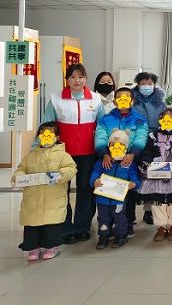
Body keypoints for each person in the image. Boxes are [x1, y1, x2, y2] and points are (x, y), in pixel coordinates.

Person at [41, 63, 104, 245]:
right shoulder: (55, 99)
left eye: (81, 77)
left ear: (86, 79)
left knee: (85, 189)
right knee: (61, 190)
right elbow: (46, 126)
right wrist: (38, 149)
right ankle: (65, 228)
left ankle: (82, 227)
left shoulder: (96, 99)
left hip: (88, 153)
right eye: (73, 77)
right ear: (67, 79)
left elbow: (102, 126)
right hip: (61, 153)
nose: (77, 80)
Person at [11, 122, 77, 261]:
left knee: (52, 224)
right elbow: (21, 168)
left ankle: (50, 247)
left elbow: (71, 168)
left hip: (53, 198)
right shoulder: (31, 155)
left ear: (57, 137)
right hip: (32, 199)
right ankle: (33, 248)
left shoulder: (63, 155)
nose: (46, 138)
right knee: (32, 224)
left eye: (50, 135)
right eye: (42, 135)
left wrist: (62, 174)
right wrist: (17, 178)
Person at [94, 87, 149, 238]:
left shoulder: (140, 120)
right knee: (108, 193)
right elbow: (100, 137)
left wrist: (132, 154)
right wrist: (104, 154)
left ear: (132, 101)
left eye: (126, 99)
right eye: (119, 99)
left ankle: (127, 225)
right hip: (109, 161)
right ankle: (108, 226)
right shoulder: (105, 119)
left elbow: (141, 138)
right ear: (114, 101)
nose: (123, 102)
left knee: (128, 193)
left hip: (129, 161)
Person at [139, 108, 172, 242]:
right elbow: (147, 151)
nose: (167, 121)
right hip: (156, 174)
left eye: (171, 119)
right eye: (164, 119)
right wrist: (146, 163)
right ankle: (161, 226)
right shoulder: (153, 135)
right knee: (157, 201)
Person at [90, 129, 141, 249]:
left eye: (120, 146)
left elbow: (134, 177)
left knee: (120, 218)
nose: (116, 149)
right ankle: (103, 236)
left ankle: (121, 235)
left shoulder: (130, 164)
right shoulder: (102, 162)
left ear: (126, 148)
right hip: (102, 199)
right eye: (113, 146)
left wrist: (134, 184)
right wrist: (94, 181)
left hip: (119, 199)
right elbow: (95, 174)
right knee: (103, 218)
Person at [132, 72, 167, 225]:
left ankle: (149, 210)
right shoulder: (132, 102)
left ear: (154, 85)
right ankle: (130, 213)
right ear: (137, 85)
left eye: (149, 84)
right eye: (143, 84)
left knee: (152, 176)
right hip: (136, 142)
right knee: (135, 175)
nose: (146, 87)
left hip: (155, 144)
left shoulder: (160, 104)